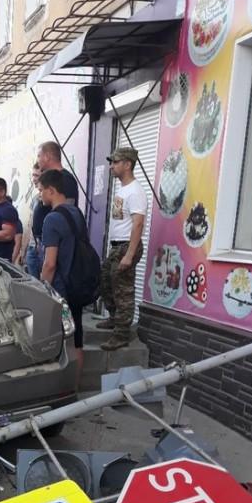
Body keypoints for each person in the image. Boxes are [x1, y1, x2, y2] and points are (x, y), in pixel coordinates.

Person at [37, 168, 87, 384]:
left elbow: (49, 263)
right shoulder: (77, 213)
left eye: (41, 190)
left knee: (55, 342)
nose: (40, 195)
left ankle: (60, 389)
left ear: (50, 190)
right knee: (76, 342)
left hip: (59, 291)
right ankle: (74, 387)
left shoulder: (52, 219)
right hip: (77, 285)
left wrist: (41, 289)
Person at [98, 146, 147, 351]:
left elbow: (138, 224)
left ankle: (121, 335)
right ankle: (113, 318)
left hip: (127, 246)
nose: (112, 166)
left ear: (127, 164)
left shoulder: (135, 191)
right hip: (117, 245)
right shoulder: (123, 189)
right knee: (105, 281)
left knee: (123, 292)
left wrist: (129, 254)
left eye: (115, 162)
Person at [30, 141, 79, 280]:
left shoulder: (65, 179)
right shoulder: (48, 178)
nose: (37, 160)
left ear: (47, 156)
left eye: (39, 156)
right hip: (43, 244)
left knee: (52, 291)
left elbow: (65, 211)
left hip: (54, 247)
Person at [19, 162, 41, 276]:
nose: (34, 179)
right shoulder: (35, 199)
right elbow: (30, 226)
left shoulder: (49, 200)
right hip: (32, 249)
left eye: (37, 175)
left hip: (42, 249)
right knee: (34, 287)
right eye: (33, 175)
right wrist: (24, 250)